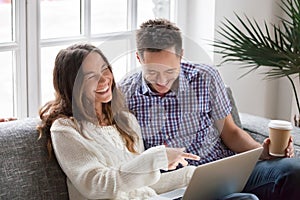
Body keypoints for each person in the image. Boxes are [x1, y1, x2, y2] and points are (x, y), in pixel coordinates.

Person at [119, 18, 300, 200]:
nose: (161, 81)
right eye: (152, 72)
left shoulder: (205, 77)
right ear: (139, 58)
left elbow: (231, 133)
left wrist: (262, 151)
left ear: (181, 55)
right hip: (177, 186)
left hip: (224, 171)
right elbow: (129, 158)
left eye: (170, 72)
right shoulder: (125, 94)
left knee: (293, 170)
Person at [37, 43, 202, 200]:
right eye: (91, 76)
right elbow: (97, 185)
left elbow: (138, 183)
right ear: (72, 84)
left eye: (104, 69)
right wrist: (155, 158)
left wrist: (190, 176)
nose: (103, 80)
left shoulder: (126, 121)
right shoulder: (65, 129)